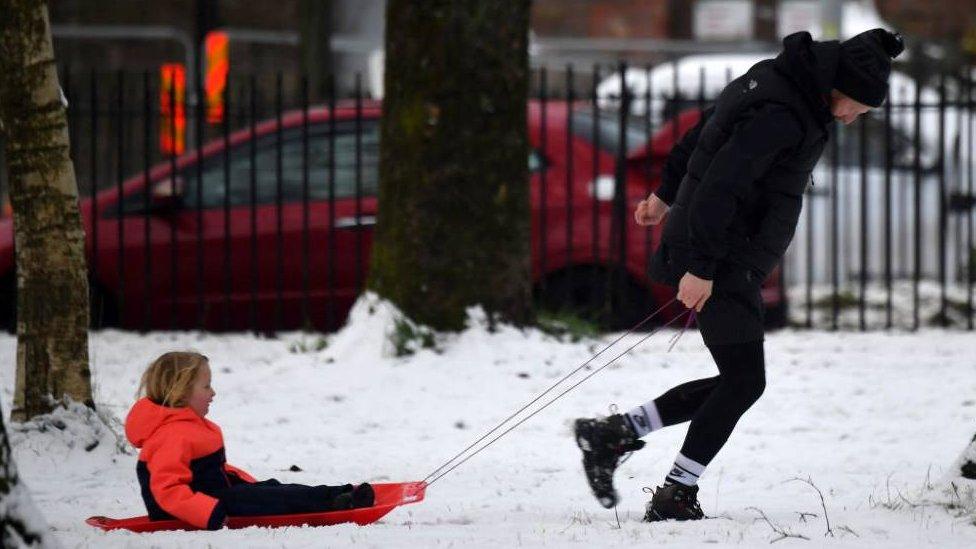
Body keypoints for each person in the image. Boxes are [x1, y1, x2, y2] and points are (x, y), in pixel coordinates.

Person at [574, 28, 904, 522]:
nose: (855, 118)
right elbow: (723, 186)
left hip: (725, 251)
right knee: (744, 381)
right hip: (723, 253)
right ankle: (674, 490)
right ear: (838, 86)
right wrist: (702, 268)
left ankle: (615, 433)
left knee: (740, 379)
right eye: (858, 106)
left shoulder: (773, 82)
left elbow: (701, 136)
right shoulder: (782, 114)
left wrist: (664, 196)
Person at [125, 351, 375, 530]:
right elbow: (167, 490)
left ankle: (338, 492)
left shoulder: (185, 426)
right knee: (273, 500)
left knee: (274, 488)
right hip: (200, 508)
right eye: (206, 386)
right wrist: (207, 513)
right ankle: (340, 503)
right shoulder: (170, 435)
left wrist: (240, 480)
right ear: (180, 392)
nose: (213, 393)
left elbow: (204, 471)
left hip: (213, 496)